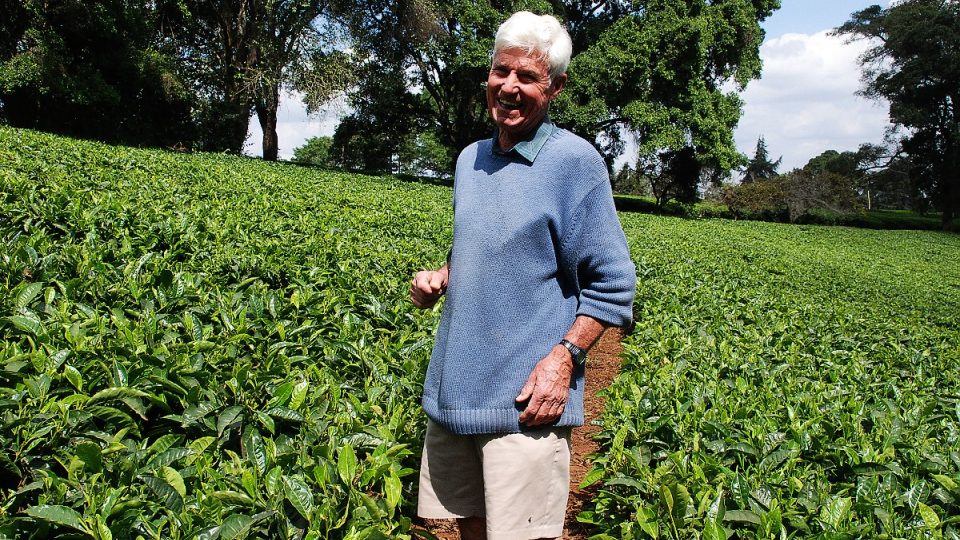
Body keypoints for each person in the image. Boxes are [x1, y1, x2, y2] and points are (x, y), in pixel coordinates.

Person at [409, 11, 636, 540]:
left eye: (528, 77)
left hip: (525, 405)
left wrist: (565, 360)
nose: (509, 87)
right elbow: (488, 247)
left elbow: (614, 282)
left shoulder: (573, 163)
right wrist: (441, 276)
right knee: (465, 527)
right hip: (454, 394)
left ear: (555, 87)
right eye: (501, 71)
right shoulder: (471, 159)